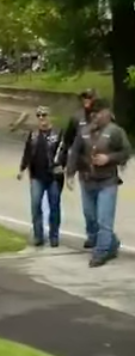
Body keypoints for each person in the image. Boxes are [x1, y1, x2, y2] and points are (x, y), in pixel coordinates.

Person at [66, 98, 131, 267]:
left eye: (100, 113)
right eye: (94, 114)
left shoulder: (115, 131)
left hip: (107, 181)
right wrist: (70, 174)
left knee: (104, 219)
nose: (96, 117)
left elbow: (126, 151)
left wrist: (108, 158)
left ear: (107, 113)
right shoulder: (84, 131)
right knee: (91, 217)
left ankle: (100, 252)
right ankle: (111, 242)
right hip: (87, 180)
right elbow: (75, 152)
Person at [17, 106, 66, 247]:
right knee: (35, 205)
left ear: (49, 116)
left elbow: (64, 152)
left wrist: (62, 166)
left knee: (54, 206)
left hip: (53, 177)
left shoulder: (58, 134)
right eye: (39, 116)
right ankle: (38, 235)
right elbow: (27, 152)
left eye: (44, 115)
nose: (41, 118)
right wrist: (22, 168)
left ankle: (54, 236)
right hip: (36, 176)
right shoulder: (33, 134)